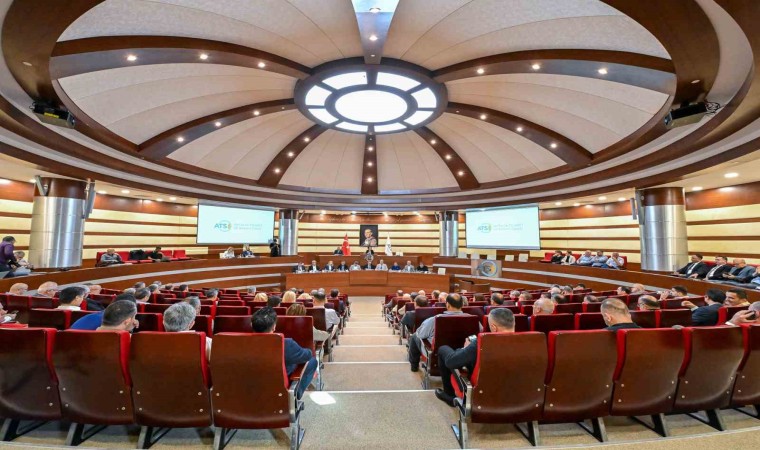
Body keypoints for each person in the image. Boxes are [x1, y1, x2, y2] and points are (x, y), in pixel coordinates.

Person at [435, 308, 515, 406]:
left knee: (443, 349)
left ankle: (450, 396)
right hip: (515, 390)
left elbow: (451, 362)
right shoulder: (529, 341)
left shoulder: (481, 342)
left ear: (493, 327)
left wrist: (465, 348)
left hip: (481, 391)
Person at [252, 307, 316, 398]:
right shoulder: (286, 344)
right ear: (274, 326)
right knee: (312, 361)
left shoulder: (239, 343)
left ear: (252, 325)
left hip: (251, 388)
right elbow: (307, 355)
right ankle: (295, 395)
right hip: (280, 392)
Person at [408, 294, 469, 372]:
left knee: (414, 336)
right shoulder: (474, 320)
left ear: (447, 304)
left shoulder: (435, 319)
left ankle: (414, 366)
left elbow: (420, 334)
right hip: (462, 356)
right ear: (462, 304)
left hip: (436, 355)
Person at [70, 293, 137, 330]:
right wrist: (129, 328)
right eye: (134, 317)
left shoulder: (95, 316)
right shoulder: (111, 333)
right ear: (127, 321)